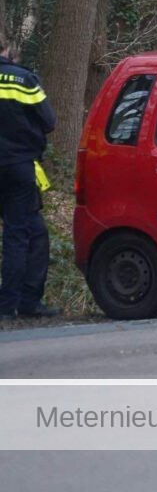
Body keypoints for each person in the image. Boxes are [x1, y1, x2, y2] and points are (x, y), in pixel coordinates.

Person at [0, 36, 59, 318]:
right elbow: (49, 121)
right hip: (18, 167)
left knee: (35, 232)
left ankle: (26, 302)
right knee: (19, 234)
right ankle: (12, 304)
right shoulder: (22, 79)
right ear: (5, 50)